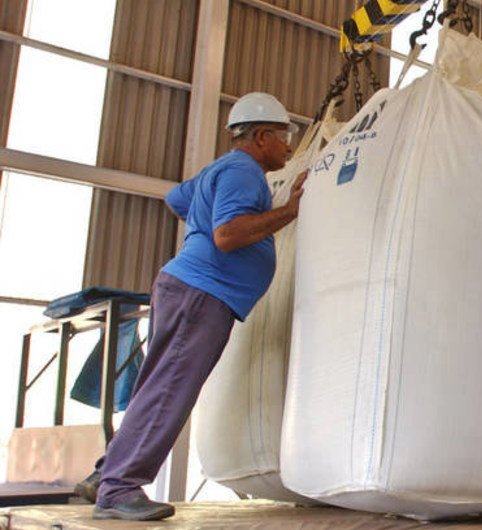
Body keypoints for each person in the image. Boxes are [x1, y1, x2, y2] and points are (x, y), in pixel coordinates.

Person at [74, 92, 307, 521]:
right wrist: (288, 211)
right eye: (283, 136)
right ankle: (119, 488)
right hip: (203, 295)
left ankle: (106, 474)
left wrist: (203, 215)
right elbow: (228, 235)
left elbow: (176, 199)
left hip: (187, 289)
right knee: (170, 389)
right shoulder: (245, 172)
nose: (289, 145)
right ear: (261, 137)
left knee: (156, 385)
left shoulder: (221, 169)